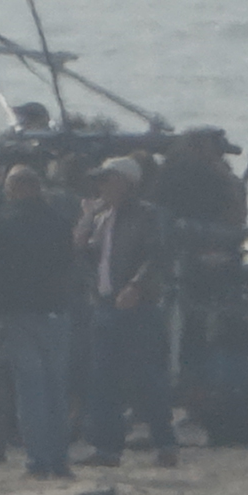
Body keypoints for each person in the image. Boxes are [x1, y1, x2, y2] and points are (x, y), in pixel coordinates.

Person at [73, 156, 178, 468]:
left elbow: (157, 254)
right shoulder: (103, 218)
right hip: (105, 305)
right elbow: (88, 253)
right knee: (103, 379)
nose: (102, 185)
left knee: (148, 378)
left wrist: (137, 285)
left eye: (108, 179)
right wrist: (85, 223)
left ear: (126, 182)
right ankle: (107, 448)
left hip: (138, 308)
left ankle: (165, 442)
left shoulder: (147, 215)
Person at [0, 165, 75, 479]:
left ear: (16, 188)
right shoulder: (58, 222)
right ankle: (59, 458)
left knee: (30, 389)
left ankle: (37, 459)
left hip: (20, 311)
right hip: (56, 309)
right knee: (56, 388)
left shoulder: (6, 222)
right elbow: (69, 263)